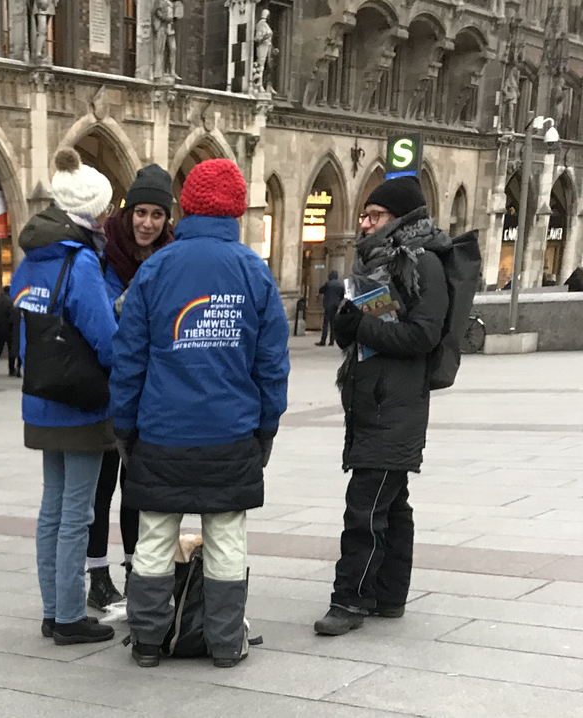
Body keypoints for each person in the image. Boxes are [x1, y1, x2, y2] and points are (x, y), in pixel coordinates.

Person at [112, 159, 290, 669]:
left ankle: (147, 641)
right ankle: (224, 642)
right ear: (236, 210)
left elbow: (130, 360)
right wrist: (267, 426)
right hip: (231, 432)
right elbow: (272, 363)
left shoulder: (155, 269)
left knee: (153, 536)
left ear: (184, 206)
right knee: (227, 539)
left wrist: (125, 424)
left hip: (162, 432)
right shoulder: (254, 271)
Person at [314, 176, 450, 636]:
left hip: (395, 405)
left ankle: (349, 601)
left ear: (400, 219)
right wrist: (349, 324)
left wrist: (362, 328)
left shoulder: (423, 262)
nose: (363, 222)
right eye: (364, 215)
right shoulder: (374, 264)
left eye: (374, 216)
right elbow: (368, 330)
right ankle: (389, 596)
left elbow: (422, 335)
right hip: (373, 402)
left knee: (366, 508)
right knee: (392, 506)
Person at [12, 147, 118, 646]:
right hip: (81, 402)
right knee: (79, 511)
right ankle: (72, 616)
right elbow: (106, 339)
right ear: (90, 210)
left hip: (42, 397)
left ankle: (53, 610)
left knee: (52, 508)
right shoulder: (80, 262)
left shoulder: (32, 258)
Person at [87, 164, 175, 610]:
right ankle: (97, 576)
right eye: (141, 212)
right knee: (101, 489)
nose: (147, 223)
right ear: (128, 212)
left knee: (136, 489)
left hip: (150, 391)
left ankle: (135, 570)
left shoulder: (171, 256)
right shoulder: (104, 255)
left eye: (157, 215)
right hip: (107, 387)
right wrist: (133, 301)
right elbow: (103, 323)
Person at [0, 286, 18, 377]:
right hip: (9, 329)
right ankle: (11, 369)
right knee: (11, 349)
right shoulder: (10, 302)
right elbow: (13, 316)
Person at [317, 270, 345, 346]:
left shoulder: (328, 284)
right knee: (333, 323)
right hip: (336, 305)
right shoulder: (340, 284)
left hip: (328, 305)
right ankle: (331, 341)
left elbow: (321, 290)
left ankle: (323, 341)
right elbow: (342, 295)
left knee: (326, 323)